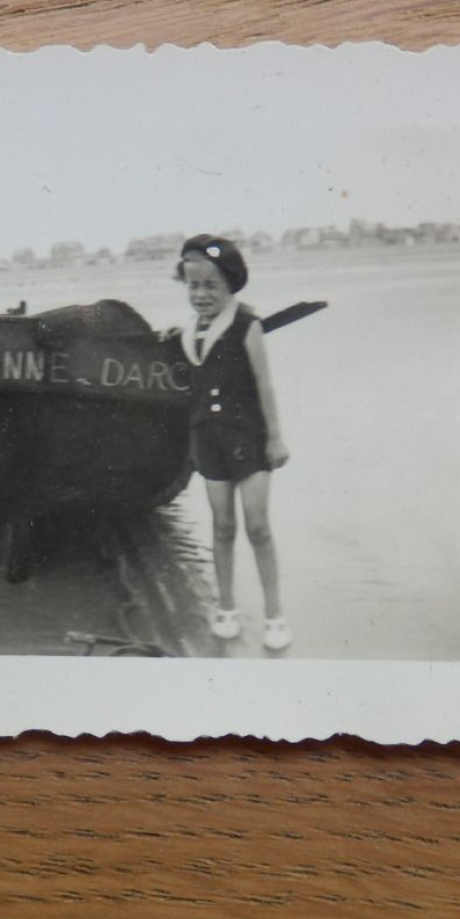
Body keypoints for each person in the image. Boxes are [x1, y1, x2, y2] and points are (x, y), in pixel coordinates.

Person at [172, 234, 293, 652]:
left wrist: (275, 437)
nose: (202, 294)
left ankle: (275, 614)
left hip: (249, 439)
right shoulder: (188, 334)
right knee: (222, 526)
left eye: (212, 286)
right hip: (208, 440)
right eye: (193, 286)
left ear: (230, 285)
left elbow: (265, 383)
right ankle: (226, 607)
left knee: (258, 526)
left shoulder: (246, 324)